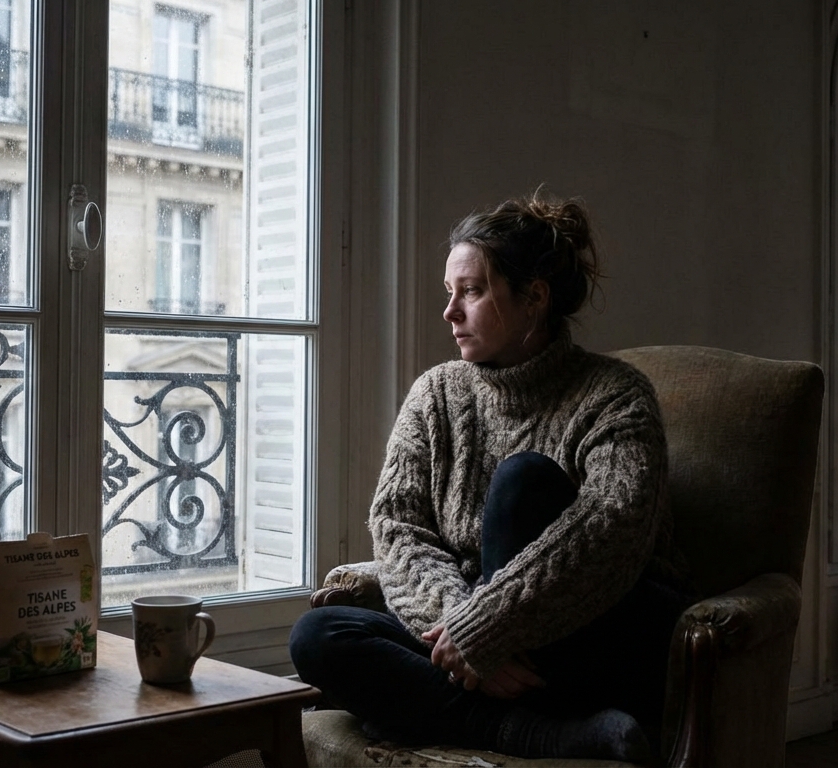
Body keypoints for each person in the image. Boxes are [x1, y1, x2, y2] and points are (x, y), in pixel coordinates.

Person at [289, 192, 693, 763]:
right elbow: (398, 527)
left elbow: (614, 525)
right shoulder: (435, 395)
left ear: (534, 298)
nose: (450, 312)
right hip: (479, 641)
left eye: (471, 291)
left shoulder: (615, 395)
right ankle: (532, 732)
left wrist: (488, 627)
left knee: (522, 482)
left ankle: (429, 707)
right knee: (319, 636)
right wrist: (466, 628)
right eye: (448, 292)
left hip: (597, 633)